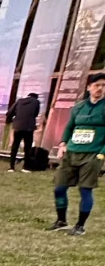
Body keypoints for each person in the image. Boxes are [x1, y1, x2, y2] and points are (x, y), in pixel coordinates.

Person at [48, 70, 105, 234]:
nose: (100, 88)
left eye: (103, 86)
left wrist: (102, 154)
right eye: (97, 85)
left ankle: (80, 226)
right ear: (89, 87)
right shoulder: (78, 107)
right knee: (59, 187)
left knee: (85, 189)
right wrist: (63, 143)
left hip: (92, 155)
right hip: (72, 152)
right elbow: (70, 127)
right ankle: (61, 220)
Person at [6, 91, 40, 172]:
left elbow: (10, 111)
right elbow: (36, 114)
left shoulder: (19, 101)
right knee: (27, 147)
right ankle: (25, 167)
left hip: (18, 126)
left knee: (15, 147)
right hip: (29, 127)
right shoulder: (36, 102)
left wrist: (9, 120)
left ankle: (11, 167)